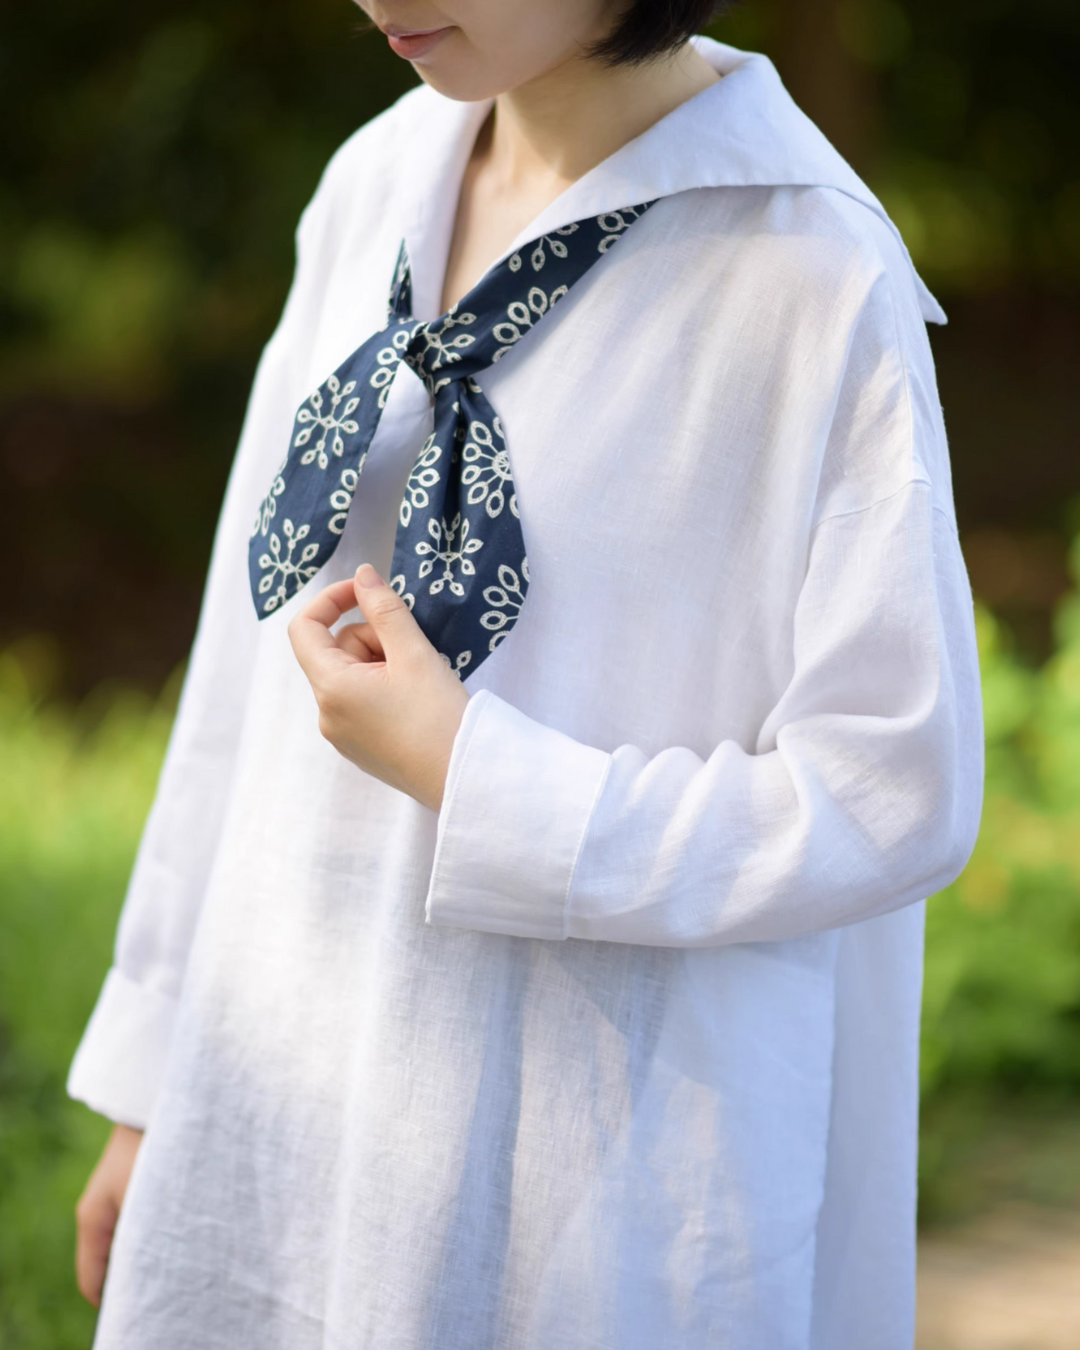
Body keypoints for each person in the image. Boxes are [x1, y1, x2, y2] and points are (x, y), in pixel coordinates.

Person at [68, 0, 984, 1345]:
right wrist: (152, 1079)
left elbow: (893, 792)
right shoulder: (378, 179)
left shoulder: (808, 269)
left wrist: (485, 781)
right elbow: (237, 673)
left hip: (591, 1177)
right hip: (285, 1104)